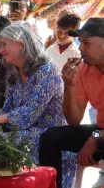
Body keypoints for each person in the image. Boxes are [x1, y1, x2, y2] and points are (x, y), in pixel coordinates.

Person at [0, 24, 67, 164]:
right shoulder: (14, 73)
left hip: (50, 136)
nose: (0, 51)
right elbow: (7, 108)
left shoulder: (47, 71)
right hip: (24, 134)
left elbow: (30, 114)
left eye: (4, 45)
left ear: (20, 45)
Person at [39, 18, 104, 188]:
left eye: (87, 43)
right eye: (80, 42)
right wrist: (69, 86)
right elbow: (74, 121)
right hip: (100, 132)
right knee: (50, 137)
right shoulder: (85, 69)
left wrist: (93, 139)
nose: (81, 48)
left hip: (99, 135)